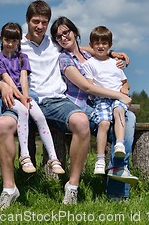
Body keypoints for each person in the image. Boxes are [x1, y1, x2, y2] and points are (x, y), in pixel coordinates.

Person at [0, 0, 92, 209]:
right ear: (27, 21)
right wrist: (1, 86)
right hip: (24, 100)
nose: (39, 26)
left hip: (55, 101)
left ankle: (72, 187)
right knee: (3, 125)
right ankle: (9, 189)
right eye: (35, 21)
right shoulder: (15, 44)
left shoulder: (55, 43)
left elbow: (79, 48)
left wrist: (110, 54)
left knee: (81, 122)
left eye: (44, 22)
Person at [50, 17, 138, 200]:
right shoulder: (65, 60)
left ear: (75, 32)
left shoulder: (88, 54)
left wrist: (114, 54)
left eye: (66, 32)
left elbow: (101, 52)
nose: (64, 37)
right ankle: (117, 183)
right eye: (59, 37)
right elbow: (87, 87)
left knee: (129, 120)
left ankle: (118, 174)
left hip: (104, 102)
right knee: (119, 124)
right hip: (83, 106)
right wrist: (120, 95)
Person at [0, 22, 65, 175]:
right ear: (1, 39)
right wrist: (20, 97)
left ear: (19, 41)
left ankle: (53, 158)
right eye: (7, 40)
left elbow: (24, 79)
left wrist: (25, 96)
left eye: (14, 41)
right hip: (7, 97)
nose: (10, 44)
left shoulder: (23, 57)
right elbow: (7, 80)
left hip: (22, 94)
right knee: (23, 111)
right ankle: (25, 156)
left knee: (39, 116)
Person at [83, 26, 129, 175]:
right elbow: (89, 85)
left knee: (119, 111)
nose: (100, 46)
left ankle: (120, 145)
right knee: (103, 123)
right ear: (91, 45)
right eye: (96, 43)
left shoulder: (115, 63)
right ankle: (100, 159)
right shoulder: (89, 63)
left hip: (117, 97)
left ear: (110, 45)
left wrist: (125, 90)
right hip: (101, 99)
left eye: (104, 43)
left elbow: (124, 82)